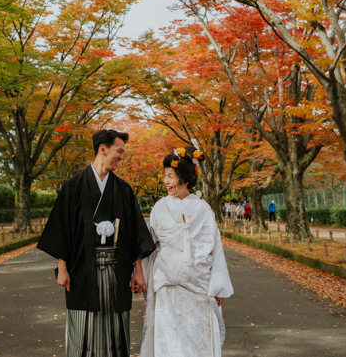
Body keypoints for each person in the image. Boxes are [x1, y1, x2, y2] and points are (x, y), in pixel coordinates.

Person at [37, 129, 155, 357]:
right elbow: (63, 230)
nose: (122, 157)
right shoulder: (74, 186)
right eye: (119, 151)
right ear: (103, 148)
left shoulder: (123, 190)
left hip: (117, 270)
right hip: (82, 269)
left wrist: (138, 271)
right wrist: (62, 268)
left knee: (115, 328)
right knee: (83, 326)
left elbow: (133, 234)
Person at [140, 146, 234, 357]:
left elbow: (215, 248)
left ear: (184, 179)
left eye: (171, 177)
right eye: (165, 176)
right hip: (167, 285)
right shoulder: (159, 207)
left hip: (198, 287)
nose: (166, 182)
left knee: (196, 341)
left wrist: (218, 286)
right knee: (168, 341)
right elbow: (148, 246)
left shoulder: (203, 209)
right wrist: (143, 276)